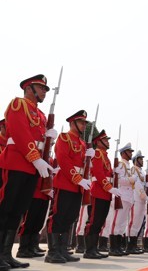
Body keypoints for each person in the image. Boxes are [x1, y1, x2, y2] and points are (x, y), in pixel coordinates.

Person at [0, 74, 55, 270]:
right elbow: (19, 131)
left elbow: (39, 140)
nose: (44, 92)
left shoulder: (40, 115)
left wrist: (49, 138)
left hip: (32, 166)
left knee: (18, 212)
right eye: (41, 88)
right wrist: (35, 157)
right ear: (29, 88)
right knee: (6, 209)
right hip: (17, 162)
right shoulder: (18, 104)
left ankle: (6, 254)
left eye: (45, 89)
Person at [45, 110, 93, 264]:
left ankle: (62, 249)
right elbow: (64, 161)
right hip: (66, 183)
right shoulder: (64, 138)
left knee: (70, 218)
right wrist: (78, 179)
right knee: (58, 217)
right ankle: (52, 252)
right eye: (81, 122)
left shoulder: (83, 143)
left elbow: (85, 166)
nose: (84, 125)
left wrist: (90, 158)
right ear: (72, 123)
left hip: (77, 186)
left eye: (85, 123)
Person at [83, 129, 121, 259]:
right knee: (93, 221)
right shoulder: (98, 154)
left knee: (99, 222)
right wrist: (109, 187)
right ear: (98, 142)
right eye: (105, 140)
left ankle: (94, 248)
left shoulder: (105, 155)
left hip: (105, 193)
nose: (107, 142)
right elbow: (98, 173)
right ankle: (89, 250)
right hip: (98, 192)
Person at [108, 142, 135, 257]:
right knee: (116, 222)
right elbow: (118, 180)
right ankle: (113, 247)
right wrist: (131, 179)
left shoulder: (128, 166)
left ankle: (118, 247)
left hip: (127, 197)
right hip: (121, 195)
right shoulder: (120, 164)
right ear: (123, 153)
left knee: (122, 224)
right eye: (129, 152)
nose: (130, 154)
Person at [127, 150, 147, 254]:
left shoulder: (142, 171)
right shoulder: (134, 169)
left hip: (142, 200)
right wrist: (143, 194)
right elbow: (137, 184)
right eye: (140, 159)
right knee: (133, 222)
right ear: (136, 160)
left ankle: (134, 245)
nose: (142, 160)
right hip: (136, 198)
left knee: (139, 222)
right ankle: (129, 245)